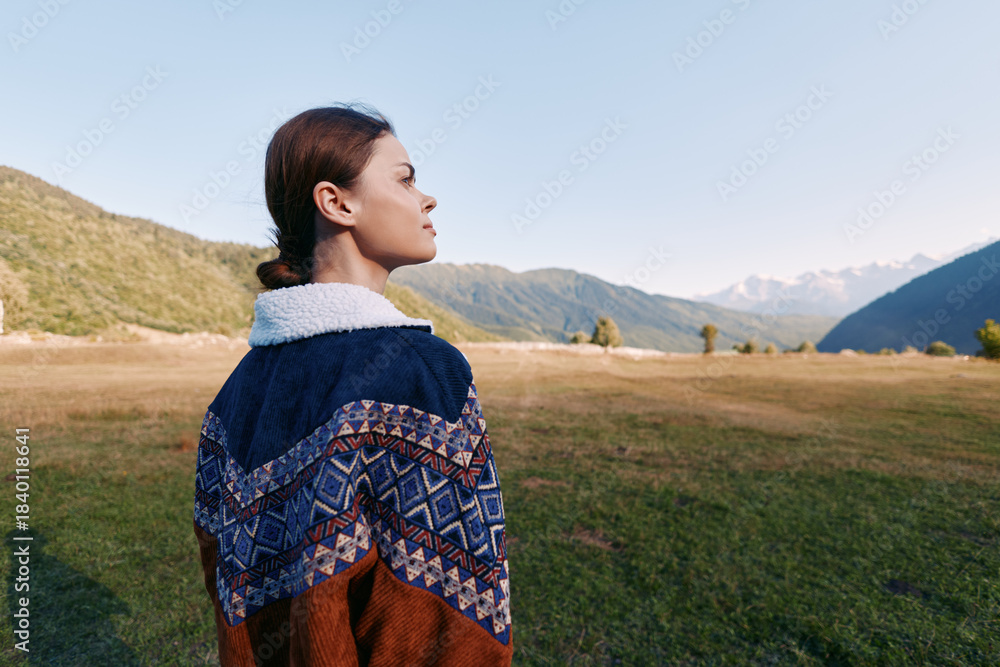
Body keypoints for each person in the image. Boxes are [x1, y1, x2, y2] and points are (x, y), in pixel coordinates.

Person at [192, 103, 513, 666]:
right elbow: (451, 617)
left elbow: (228, 585)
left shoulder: (233, 395)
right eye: (406, 179)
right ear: (336, 202)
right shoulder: (422, 373)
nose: (427, 198)